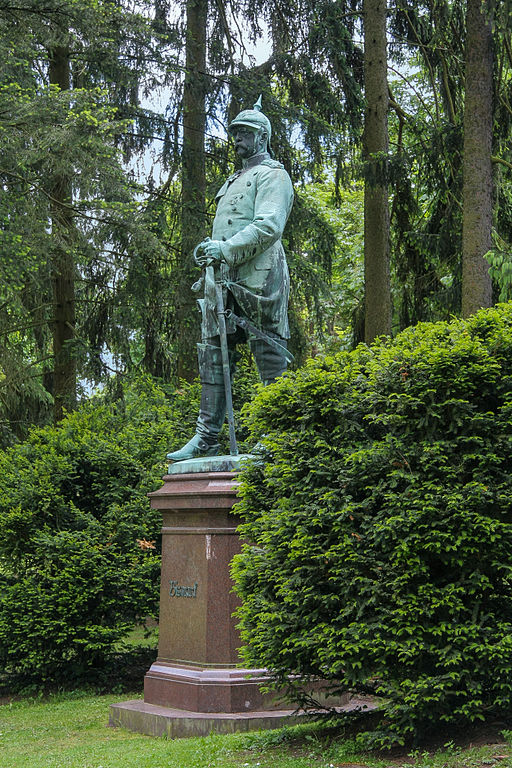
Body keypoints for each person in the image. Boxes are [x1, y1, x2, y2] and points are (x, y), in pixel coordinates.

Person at [167, 97, 294, 461]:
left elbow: (268, 225)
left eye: (245, 133)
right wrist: (210, 253)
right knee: (212, 353)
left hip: (260, 277)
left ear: (263, 137)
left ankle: (277, 430)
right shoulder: (233, 180)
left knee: (268, 350)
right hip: (221, 279)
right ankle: (206, 435)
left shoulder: (273, 175)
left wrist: (224, 249)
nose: (237, 139)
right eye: (235, 132)